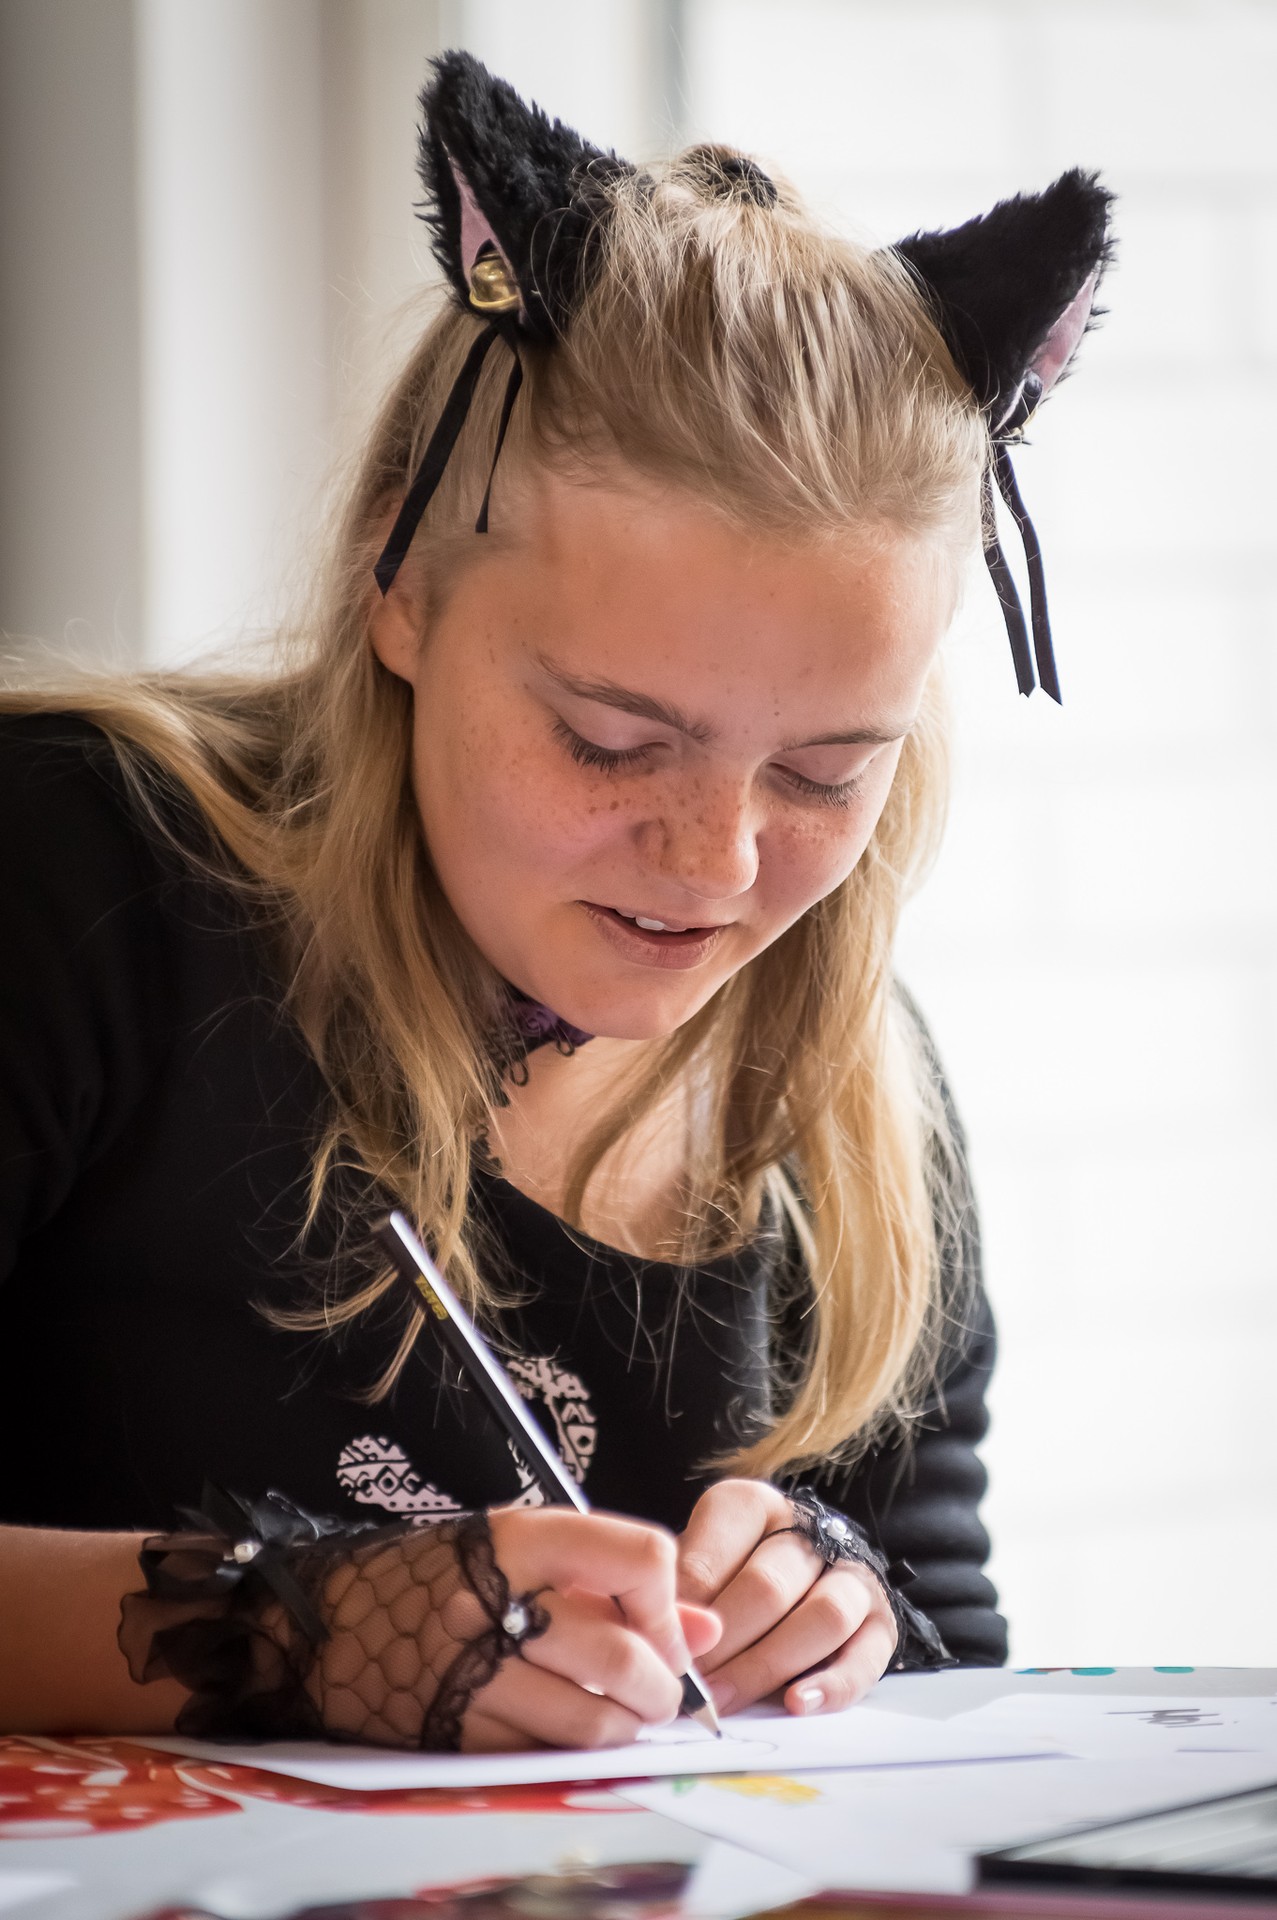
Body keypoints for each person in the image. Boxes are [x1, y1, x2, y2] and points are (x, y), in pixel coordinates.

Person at [0, 53, 1111, 1753]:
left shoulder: (854, 1086)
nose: (716, 866)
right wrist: (286, 1628)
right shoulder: (74, 870)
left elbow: (944, 1664)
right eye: (610, 740)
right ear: (396, 583)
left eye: (825, 772)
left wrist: (838, 1614)